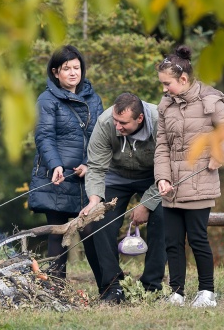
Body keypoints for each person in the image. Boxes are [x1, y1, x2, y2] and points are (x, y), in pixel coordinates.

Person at [154, 45, 224, 307]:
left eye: (167, 83)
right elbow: (162, 145)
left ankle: (207, 292)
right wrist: (162, 177)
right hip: (171, 187)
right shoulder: (165, 106)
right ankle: (177, 292)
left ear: (183, 80)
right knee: (172, 241)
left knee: (197, 239)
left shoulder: (210, 101)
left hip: (199, 182)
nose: (163, 89)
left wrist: (220, 154)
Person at [79, 92, 166, 304]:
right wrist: (94, 200)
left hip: (156, 177)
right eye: (116, 121)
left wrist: (146, 204)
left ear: (140, 119)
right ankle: (111, 287)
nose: (117, 127)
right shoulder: (106, 122)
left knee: (164, 217)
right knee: (94, 222)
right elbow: (97, 167)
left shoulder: (160, 121)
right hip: (115, 176)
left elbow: (171, 167)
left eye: (123, 123)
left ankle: (151, 286)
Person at [28, 45, 103, 283]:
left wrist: (88, 164)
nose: (73, 73)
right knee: (57, 232)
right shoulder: (46, 99)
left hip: (85, 177)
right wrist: (56, 165)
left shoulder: (94, 99)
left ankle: (108, 286)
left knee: (92, 230)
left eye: (77, 68)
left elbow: (100, 138)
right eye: (67, 68)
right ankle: (55, 288)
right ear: (55, 72)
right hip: (57, 176)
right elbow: (44, 136)